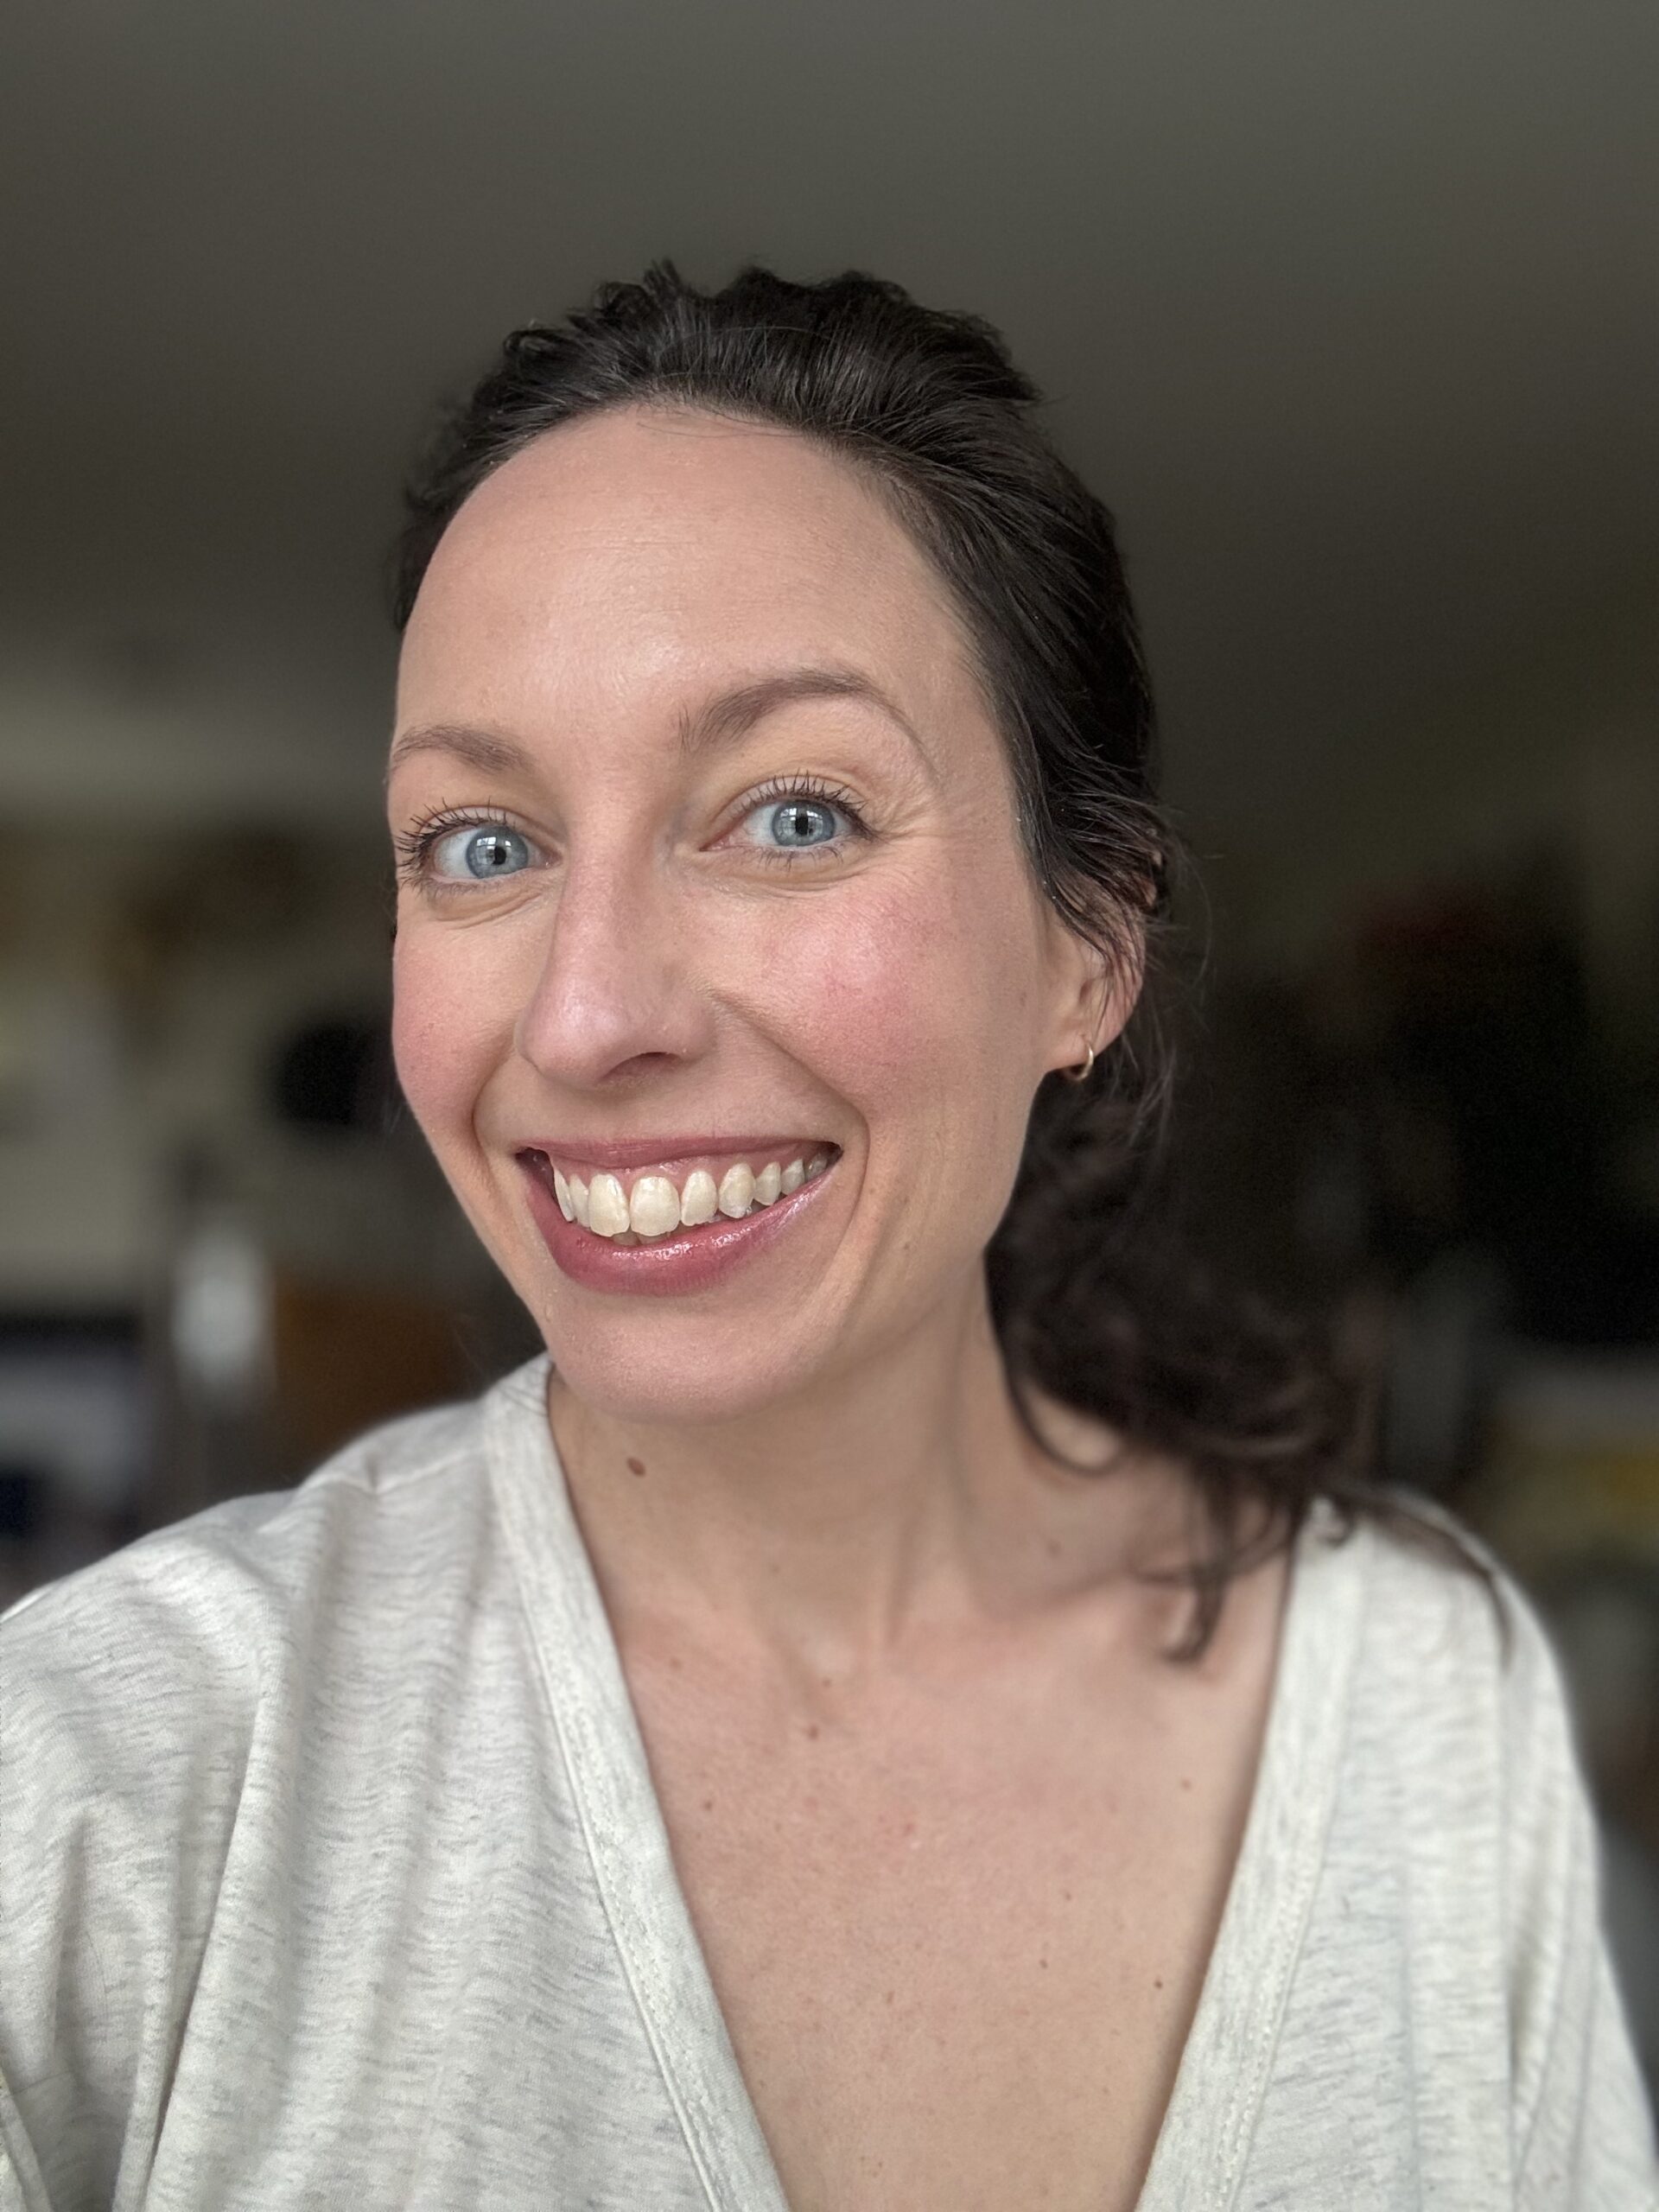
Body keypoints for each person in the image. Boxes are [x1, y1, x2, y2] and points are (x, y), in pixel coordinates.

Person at [1, 264, 1653, 2212]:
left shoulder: (1422, 1698)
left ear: (1089, 947)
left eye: (788, 814)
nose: (588, 1013)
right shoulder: (105, 1773)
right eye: (482, 842)